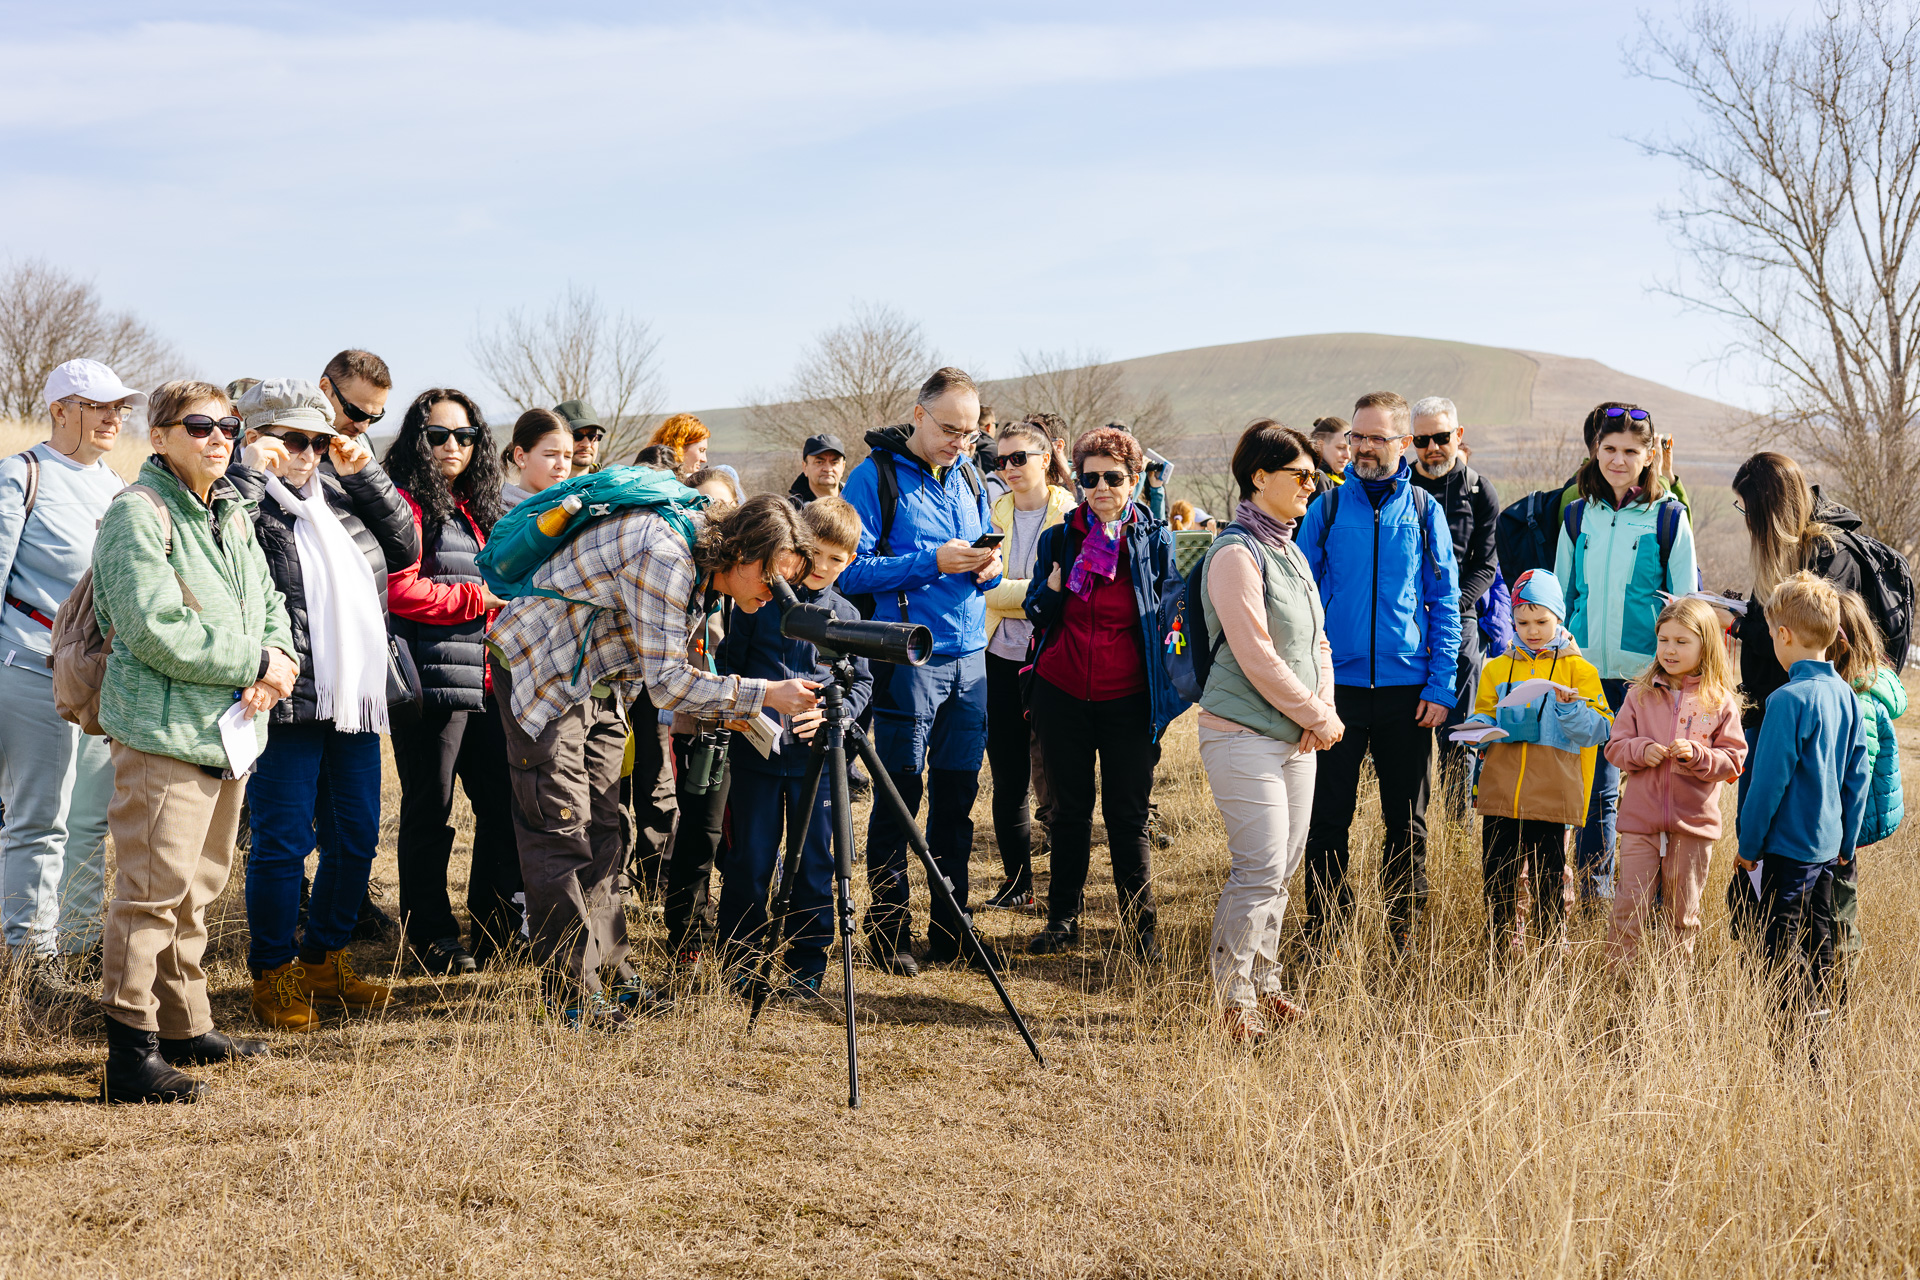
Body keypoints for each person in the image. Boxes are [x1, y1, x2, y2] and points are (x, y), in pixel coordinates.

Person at [488, 493, 822, 1025]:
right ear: (741, 553)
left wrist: (733, 702)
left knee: (603, 828)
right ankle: (572, 993)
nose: (772, 593)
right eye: (770, 578)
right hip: (543, 674)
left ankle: (614, 976)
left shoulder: (705, 567)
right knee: (561, 826)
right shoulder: (667, 557)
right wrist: (764, 695)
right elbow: (668, 685)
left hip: (597, 679)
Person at [92, 380, 297, 1103]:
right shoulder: (136, 514)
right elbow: (152, 627)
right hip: (162, 732)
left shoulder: (233, 511)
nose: (218, 437)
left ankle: (186, 1027)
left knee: (198, 890)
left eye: (229, 426)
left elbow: (269, 603)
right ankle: (130, 1051)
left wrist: (277, 666)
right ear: (159, 437)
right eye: (200, 425)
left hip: (229, 728)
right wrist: (255, 663)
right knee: (150, 896)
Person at [226, 380, 418, 1029]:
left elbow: (404, 548)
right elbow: (218, 543)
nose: (307, 453)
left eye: (318, 440)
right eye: (292, 439)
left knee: (359, 835)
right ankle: (272, 971)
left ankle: (323, 959)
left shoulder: (336, 496)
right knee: (283, 841)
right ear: (255, 439)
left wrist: (364, 476)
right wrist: (252, 471)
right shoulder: (240, 501)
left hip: (355, 694)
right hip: (286, 694)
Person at [836, 367, 1003, 975]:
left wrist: (987, 564)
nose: (961, 441)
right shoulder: (873, 476)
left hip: (970, 653)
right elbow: (849, 571)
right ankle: (887, 931)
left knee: (958, 796)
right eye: (950, 429)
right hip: (908, 657)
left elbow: (981, 553)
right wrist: (930, 561)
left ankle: (952, 928)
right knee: (900, 794)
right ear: (919, 413)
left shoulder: (969, 476)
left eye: (970, 432)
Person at [1295, 392, 1461, 953]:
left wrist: (1441, 685)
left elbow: (1445, 603)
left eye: (1376, 439)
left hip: (1407, 694)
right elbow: (1304, 601)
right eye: (1356, 439)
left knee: (1407, 824)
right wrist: (1306, 686)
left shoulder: (1423, 511)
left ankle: (1403, 937)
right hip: (1335, 691)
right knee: (1327, 820)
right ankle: (1326, 935)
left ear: (1402, 445)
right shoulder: (1328, 509)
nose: (1363, 449)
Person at [1192, 422, 1340, 1042]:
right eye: (1301, 475)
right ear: (1260, 477)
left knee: (1283, 868)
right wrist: (1315, 713)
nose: (1313, 486)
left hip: (1296, 738)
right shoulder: (1235, 553)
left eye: (1316, 477)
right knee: (1258, 867)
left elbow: (1316, 643)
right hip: (1242, 734)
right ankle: (1232, 1000)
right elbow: (1256, 654)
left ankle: (1266, 983)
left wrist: (1318, 712)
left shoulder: (1289, 548)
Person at [1021, 427, 1186, 961]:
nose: (1100, 488)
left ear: (1133, 480)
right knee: (1068, 812)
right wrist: (1048, 592)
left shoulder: (1156, 539)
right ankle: (1062, 920)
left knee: (1127, 813)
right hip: (1062, 690)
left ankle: (1142, 931)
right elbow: (1037, 613)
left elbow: (1174, 616)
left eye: (1113, 477)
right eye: (1089, 478)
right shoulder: (1059, 537)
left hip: (1129, 697)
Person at [0, 360, 136, 1007]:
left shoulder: (118, 486)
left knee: (90, 818)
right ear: (60, 410)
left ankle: (81, 949)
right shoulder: (20, 476)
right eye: (99, 406)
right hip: (30, 668)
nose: (115, 418)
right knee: (39, 820)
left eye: (120, 408)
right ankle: (28, 966)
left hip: (100, 678)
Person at [381, 389, 520, 974]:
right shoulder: (407, 505)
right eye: (439, 435)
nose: (453, 446)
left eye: (464, 436)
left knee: (500, 806)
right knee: (429, 813)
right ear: (418, 438)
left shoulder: (474, 508)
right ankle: (431, 936)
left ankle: (494, 928)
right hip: (430, 683)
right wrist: (474, 598)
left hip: (486, 680)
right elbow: (395, 589)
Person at [713, 498, 873, 998]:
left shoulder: (848, 615)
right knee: (751, 862)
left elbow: (863, 683)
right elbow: (728, 662)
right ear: (797, 553)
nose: (823, 568)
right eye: (816, 555)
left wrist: (836, 715)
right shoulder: (759, 604)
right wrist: (743, 709)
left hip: (820, 765)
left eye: (837, 560)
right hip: (757, 758)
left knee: (815, 865)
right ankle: (741, 961)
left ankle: (808, 963)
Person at [1554, 403, 1698, 900]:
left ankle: (1653, 900)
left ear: (1649, 455)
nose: (1618, 460)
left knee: (1652, 793)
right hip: (1588, 675)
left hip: (1648, 680)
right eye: (1610, 449)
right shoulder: (1576, 516)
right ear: (1596, 451)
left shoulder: (1670, 518)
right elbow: (1563, 599)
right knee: (1596, 794)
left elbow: (1688, 608)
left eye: (1630, 451)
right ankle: (1596, 897)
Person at [1733, 572, 1869, 1017]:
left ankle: (1794, 1045)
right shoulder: (1846, 695)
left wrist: (1749, 847)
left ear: (1784, 635)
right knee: (1820, 946)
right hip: (1829, 852)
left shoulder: (1788, 700)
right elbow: (1858, 776)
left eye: (1772, 633)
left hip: (1787, 855)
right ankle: (1821, 1033)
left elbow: (1766, 784)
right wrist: (1847, 842)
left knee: (1781, 952)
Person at [1460, 571, 1611, 953]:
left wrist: (1570, 708)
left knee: (1549, 881)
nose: (1531, 630)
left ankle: (1549, 952)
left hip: (1553, 796)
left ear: (1559, 618)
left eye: (1541, 621)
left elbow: (1599, 730)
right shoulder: (1496, 667)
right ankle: (1499, 950)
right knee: (1498, 877)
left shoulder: (1580, 670)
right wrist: (1477, 730)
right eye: (1522, 622)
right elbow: (1484, 714)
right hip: (1501, 795)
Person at [1729, 452, 1884, 807]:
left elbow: (1806, 643)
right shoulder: (1784, 553)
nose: (1747, 522)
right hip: (1767, 709)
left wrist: (1737, 626)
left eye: (1749, 512)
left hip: (1805, 719)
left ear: (1773, 511)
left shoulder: (1829, 556)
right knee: (1755, 825)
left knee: (1788, 829)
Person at [1602, 597, 1747, 967]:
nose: (1670, 649)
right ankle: (1618, 987)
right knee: (1628, 909)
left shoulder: (1720, 702)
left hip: (1693, 827)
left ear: (1706, 645)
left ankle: (1670, 994)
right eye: (1663, 640)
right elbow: (1615, 748)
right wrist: (1639, 750)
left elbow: (1734, 761)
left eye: (1682, 642)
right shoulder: (1640, 694)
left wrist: (1699, 756)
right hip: (1640, 824)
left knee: (1682, 918)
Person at [980, 421, 1072, 911]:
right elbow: (988, 589)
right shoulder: (993, 510)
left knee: (1059, 775)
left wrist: (1014, 590)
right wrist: (1036, 590)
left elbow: (1069, 592)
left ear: (1045, 457)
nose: (1009, 468)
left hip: (1052, 657)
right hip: (997, 657)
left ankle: (1064, 888)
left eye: (1019, 458)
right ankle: (1018, 884)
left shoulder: (1071, 514)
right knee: (1008, 776)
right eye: (1001, 460)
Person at [1407, 397, 1501, 822]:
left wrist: (1452, 606)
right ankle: (1411, 823)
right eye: (1422, 440)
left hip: (1458, 619)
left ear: (1457, 436)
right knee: (1407, 730)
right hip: (1404, 620)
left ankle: (1457, 826)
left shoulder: (1480, 491)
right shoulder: (1399, 486)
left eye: (1441, 437)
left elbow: (1486, 564)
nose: (1432, 448)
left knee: (1458, 733)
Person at [1828, 589, 1905, 986]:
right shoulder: (1855, 688)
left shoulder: (1860, 700)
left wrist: (1844, 836)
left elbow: (1861, 772)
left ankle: (1839, 991)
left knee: (1841, 913)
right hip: (1844, 827)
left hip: (1846, 829)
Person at [500, 409, 574, 508]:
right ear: (520, 457)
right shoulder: (494, 515)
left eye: (567, 456)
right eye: (550, 455)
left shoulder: (578, 508)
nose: (562, 465)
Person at [318, 349, 392, 439]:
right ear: (325, 388)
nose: (363, 428)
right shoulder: (297, 450)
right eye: (356, 413)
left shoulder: (364, 445)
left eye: (374, 418)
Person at [649, 413, 711, 481]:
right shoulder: (664, 484)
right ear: (680, 446)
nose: (704, 459)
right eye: (701, 450)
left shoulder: (649, 476)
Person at [790, 434, 846, 505]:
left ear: (843, 467)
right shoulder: (793, 511)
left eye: (834, 463)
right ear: (805, 467)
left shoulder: (856, 497)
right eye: (819, 462)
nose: (828, 469)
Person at [554, 400, 605, 476]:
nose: (586, 444)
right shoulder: (536, 486)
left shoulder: (610, 485)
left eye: (592, 436)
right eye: (577, 436)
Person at [1307, 416, 1349, 500]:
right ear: (1320, 445)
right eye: (1340, 448)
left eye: (1350, 449)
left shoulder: (1336, 479)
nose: (1347, 455)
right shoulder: (1318, 479)